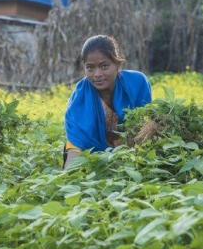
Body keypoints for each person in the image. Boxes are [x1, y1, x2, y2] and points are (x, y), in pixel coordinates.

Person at [64, 35, 152, 168]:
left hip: (131, 151)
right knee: (70, 176)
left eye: (104, 66)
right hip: (89, 155)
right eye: (90, 68)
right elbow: (77, 140)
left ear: (117, 64)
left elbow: (146, 127)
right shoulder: (81, 96)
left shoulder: (137, 83)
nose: (97, 74)